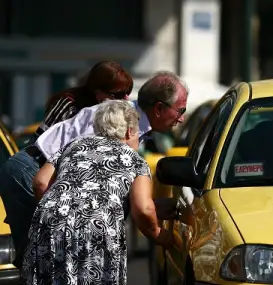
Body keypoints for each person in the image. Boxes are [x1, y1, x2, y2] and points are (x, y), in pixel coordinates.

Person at [21, 100, 175, 285]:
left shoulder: (73, 145)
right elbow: (142, 208)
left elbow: (40, 182)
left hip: (50, 220)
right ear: (129, 131)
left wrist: (62, 210)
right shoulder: (134, 159)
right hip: (97, 226)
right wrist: (160, 235)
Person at [0, 61, 133, 268]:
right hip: (30, 168)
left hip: (31, 169)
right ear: (98, 91)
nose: (125, 99)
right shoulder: (70, 105)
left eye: (128, 92)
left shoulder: (96, 110)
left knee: (38, 253)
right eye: (119, 93)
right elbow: (51, 150)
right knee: (43, 253)